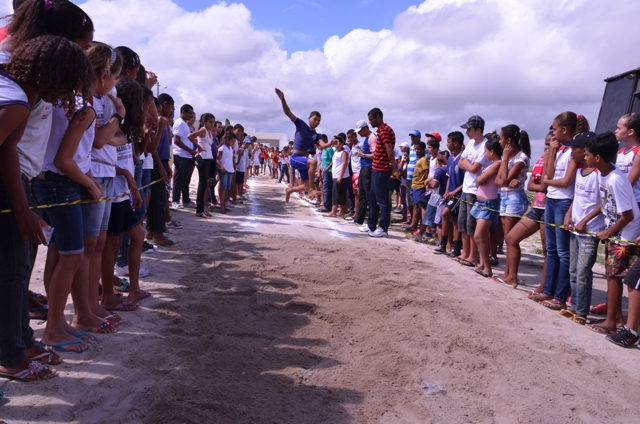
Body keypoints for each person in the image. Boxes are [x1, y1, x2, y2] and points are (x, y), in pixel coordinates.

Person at [0, 35, 93, 380]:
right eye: (67, 88)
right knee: (11, 274)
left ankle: (18, 344)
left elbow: (8, 149)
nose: (66, 99)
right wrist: (20, 209)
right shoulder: (15, 102)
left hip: (17, 183)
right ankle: (10, 357)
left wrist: (23, 207)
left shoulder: (22, 96)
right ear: (49, 76)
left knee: (17, 269)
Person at [577, 132, 640, 335]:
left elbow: (628, 214)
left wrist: (608, 231)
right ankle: (617, 319)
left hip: (625, 235)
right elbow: (605, 203)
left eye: (587, 155)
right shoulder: (603, 174)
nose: (584, 158)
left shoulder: (615, 179)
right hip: (616, 232)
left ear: (598, 158)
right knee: (612, 276)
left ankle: (611, 323)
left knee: (614, 277)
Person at [530, 112, 587, 307]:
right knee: (551, 250)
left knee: (563, 252)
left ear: (564, 129)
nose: (552, 132)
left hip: (563, 201)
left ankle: (561, 297)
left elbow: (565, 181)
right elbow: (549, 176)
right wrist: (551, 154)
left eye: (554, 128)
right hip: (552, 200)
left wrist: (547, 181)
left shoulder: (575, 151)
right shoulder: (561, 150)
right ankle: (549, 291)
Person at [557, 132, 603, 323]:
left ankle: (582, 312)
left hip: (589, 231)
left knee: (584, 271)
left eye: (574, 148)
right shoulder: (579, 171)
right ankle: (574, 306)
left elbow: (604, 202)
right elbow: (577, 197)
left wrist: (585, 221)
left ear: (586, 149)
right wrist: (569, 215)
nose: (571, 152)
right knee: (574, 271)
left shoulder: (600, 174)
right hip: (575, 230)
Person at [498, 132, 552, 289]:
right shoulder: (542, 158)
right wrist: (541, 185)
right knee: (511, 238)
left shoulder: (526, 158)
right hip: (536, 207)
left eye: (549, 144)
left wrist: (542, 185)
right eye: (546, 144)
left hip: (548, 207)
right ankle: (511, 277)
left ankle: (544, 286)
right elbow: (531, 185)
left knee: (547, 249)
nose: (546, 147)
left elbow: (545, 184)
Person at [274, 88, 330, 201]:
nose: (316, 122)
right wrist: (283, 99)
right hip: (296, 158)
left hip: (305, 161)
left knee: (305, 184)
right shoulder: (301, 124)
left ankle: (290, 190)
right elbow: (288, 113)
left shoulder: (316, 135)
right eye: (315, 119)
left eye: (318, 121)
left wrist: (331, 143)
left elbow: (323, 146)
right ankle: (310, 190)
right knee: (313, 162)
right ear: (309, 118)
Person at [454, 116, 488, 267]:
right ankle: (465, 253)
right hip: (466, 187)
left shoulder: (485, 145)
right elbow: (461, 162)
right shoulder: (471, 143)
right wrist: (469, 164)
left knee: (471, 224)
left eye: (469, 129)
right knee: (463, 223)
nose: (467, 132)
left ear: (478, 130)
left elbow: (475, 168)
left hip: (476, 190)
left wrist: (468, 164)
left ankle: (473, 256)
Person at [146, 93, 178, 247]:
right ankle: (158, 233)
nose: (172, 110)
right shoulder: (156, 122)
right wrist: (160, 165)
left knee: (156, 199)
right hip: (157, 162)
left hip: (163, 161)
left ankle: (152, 231)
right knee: (159, 200)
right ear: (163, 105)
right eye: (171, 107)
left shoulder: (164, 122)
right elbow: (154, 149)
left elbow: (168, 141)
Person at [471, 134, 503, 278]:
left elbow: (480, 179)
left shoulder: (497, 164)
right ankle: (483, 264)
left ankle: (488, 268)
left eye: (485, 151)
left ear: (492, 152)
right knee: (481, 236)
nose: (484, 154)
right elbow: (479, 181)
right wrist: (479, 180)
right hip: (481, 202)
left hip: (488, 203)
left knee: (478, 236)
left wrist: (479, 180)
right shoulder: (492, 164)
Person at [495, 124, 531, 242]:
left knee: (510, 238)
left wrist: (504, 160)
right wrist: (505, 181)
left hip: (515, 197)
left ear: (509, 140)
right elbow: (498, 181)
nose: (500, 141)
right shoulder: (510, 158)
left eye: (501, 138)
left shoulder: (521, 158)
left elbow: (503, 179)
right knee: (507, 236)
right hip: (504, 195)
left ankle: (511, 261)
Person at [366, 108, 397, 238]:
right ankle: (371, 225)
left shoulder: (384, 131)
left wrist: (393, 168)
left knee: (382, 201)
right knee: (373, 199)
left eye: (371, 119)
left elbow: (390, 151)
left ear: (378, 117)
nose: (370, 122)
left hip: (381, 170)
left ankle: (383, 228)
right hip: (376, 169)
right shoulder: (382, 130)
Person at [434, 132, 465, 255]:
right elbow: (449, 177)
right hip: (450, 194)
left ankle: (456, 248)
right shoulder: (451, 159)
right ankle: (444, 245)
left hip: (459, 195)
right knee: (448, 217)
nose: (447, 144)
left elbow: (466, 181)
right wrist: (447, 191)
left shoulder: (463, 159)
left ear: (455, 143)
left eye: (448, 141)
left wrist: (454, 192)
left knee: (450, 216)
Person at [189, 113, 215, 218]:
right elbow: (190, 136)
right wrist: (198, 146)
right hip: (202, 158)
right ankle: (199, 210)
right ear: (204, 121)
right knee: (202, 184)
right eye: (210, 122)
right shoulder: (203, 130)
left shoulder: (209, 132)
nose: (212, 124)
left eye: (213, 122)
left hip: (208, 158)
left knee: (205, 184)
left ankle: (202, 208)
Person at [172, 104, 198, 209]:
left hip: (187, 156)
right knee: (179, 179)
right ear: (183, 112)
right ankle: (175, 201)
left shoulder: (185, 124)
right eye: (190, 113)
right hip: (180, 155)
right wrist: (190, 150)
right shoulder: (179, 123)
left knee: (186, 179)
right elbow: (176, 140)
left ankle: (186, 200)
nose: (191, 115)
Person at [355, 120, 376, 230]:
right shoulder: (367, 139)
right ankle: (360, 218)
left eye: (360, 131)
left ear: (365, 128)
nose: (359, 134)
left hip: (369, 168)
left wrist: (362, 155)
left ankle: (371, 223)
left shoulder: (372, 137)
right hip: (364, 168)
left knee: (369, 197)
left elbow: (375, 154)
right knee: (362, 194)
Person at [325, 135, 351, 218]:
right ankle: (340, 211)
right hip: (336, 176)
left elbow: (344, 164)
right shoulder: (336, 152)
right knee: (337, 194)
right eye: (334, 142)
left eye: (337, 142)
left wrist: (340, 176)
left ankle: (334, 211)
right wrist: (333, 174)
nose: (335, 144)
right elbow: (334, 164)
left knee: (339, 194)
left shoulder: (344, 152)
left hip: (342, 177)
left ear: (342, 143)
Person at [217, 133, 235, 214]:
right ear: (227, 140)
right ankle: (222, 207)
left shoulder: (230, 149)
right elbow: (217, 159)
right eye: (232, 141)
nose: (233, 143)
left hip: (230, 170)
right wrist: (221, 167)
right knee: (223, 188)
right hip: (224, 170)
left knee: (227, 189)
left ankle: (224, 205)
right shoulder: (222, 148)